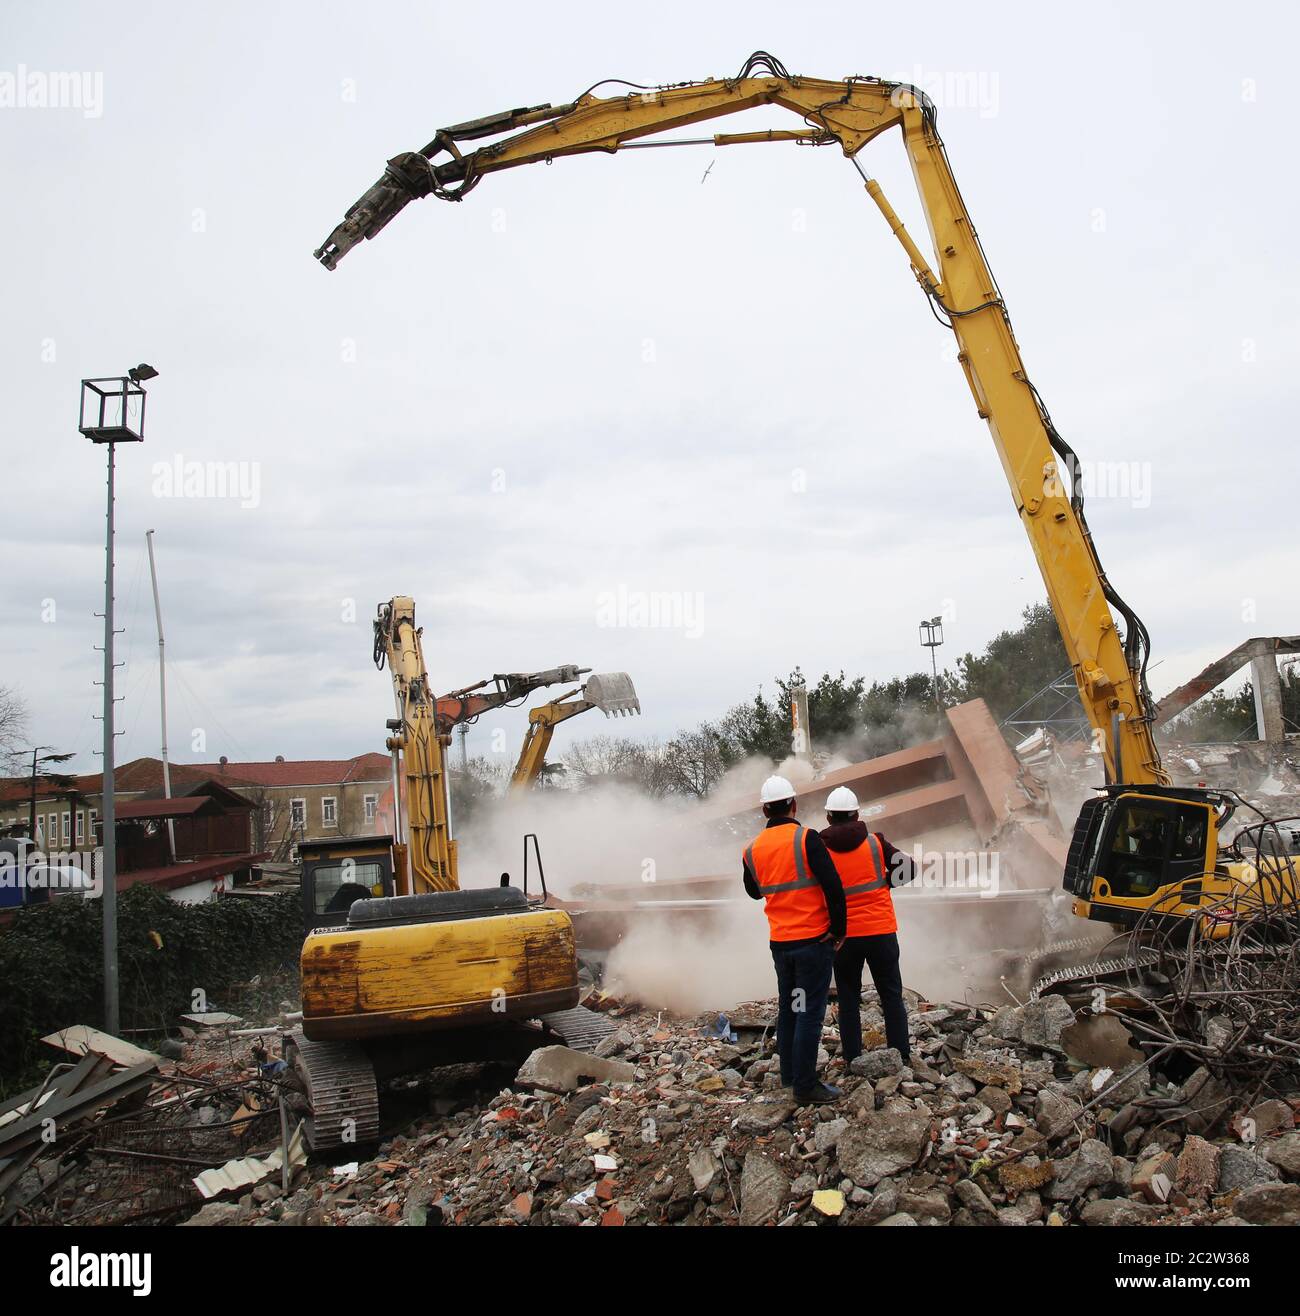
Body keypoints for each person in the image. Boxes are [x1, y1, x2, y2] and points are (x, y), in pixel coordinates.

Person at [742, 775, 846, 1105]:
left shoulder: (751, 849)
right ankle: (805, 1085)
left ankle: (789, 1073)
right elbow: (833, 887)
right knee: (809, 1013)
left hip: (781, 944)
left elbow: (754, 892)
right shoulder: (806, 839)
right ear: (793, 805)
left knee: (790, 1008)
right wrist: (839, 930)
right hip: (813, 943)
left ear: (764, 810)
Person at [819, 786, 914, 1064]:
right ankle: (901, 1054)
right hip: (880, 931)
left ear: (828, 817)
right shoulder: (875, 842)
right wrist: (886, 883)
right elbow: (909, 868)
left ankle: (852, 1057)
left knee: (848, 999)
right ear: (857, 814)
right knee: (891, 995)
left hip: (844, 936)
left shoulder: (821, 849)